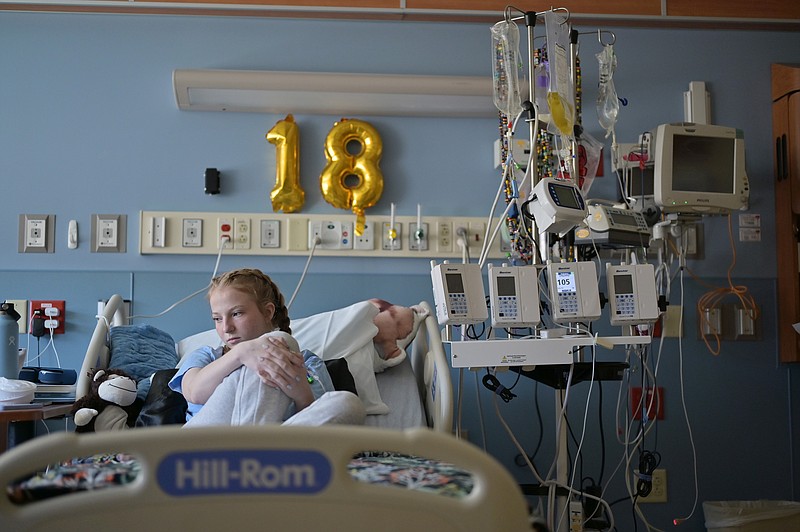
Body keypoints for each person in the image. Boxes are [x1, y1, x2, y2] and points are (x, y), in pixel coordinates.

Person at [168, 268, 365, 427]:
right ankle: (253, 457)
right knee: (268, 351)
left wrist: (301, 394)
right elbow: (194, 392)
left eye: (236, 314)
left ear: (268, 311)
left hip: (274, 448)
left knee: (348, 404)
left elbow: (314, 419)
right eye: (217, 319)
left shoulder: (307, 362)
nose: (226, 327)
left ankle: (253, 457)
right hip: (204, 445)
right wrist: (242, 353)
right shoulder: (205, 356)